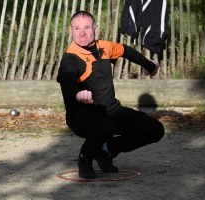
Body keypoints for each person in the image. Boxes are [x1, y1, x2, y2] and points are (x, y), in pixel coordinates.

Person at [56, 11, 165, 179]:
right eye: (77, 28)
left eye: (86, 27)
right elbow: (68, 82)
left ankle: (107, 150)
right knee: (105, 126)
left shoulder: (104, 47)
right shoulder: (70, 59)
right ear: (71, 31)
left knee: (155, 130)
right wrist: (78, 95)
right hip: (82, 116)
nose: (82, 32)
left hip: (112, 111)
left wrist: (149, 66)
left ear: (95, 29)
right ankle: (85, 159)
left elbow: (126, 51)